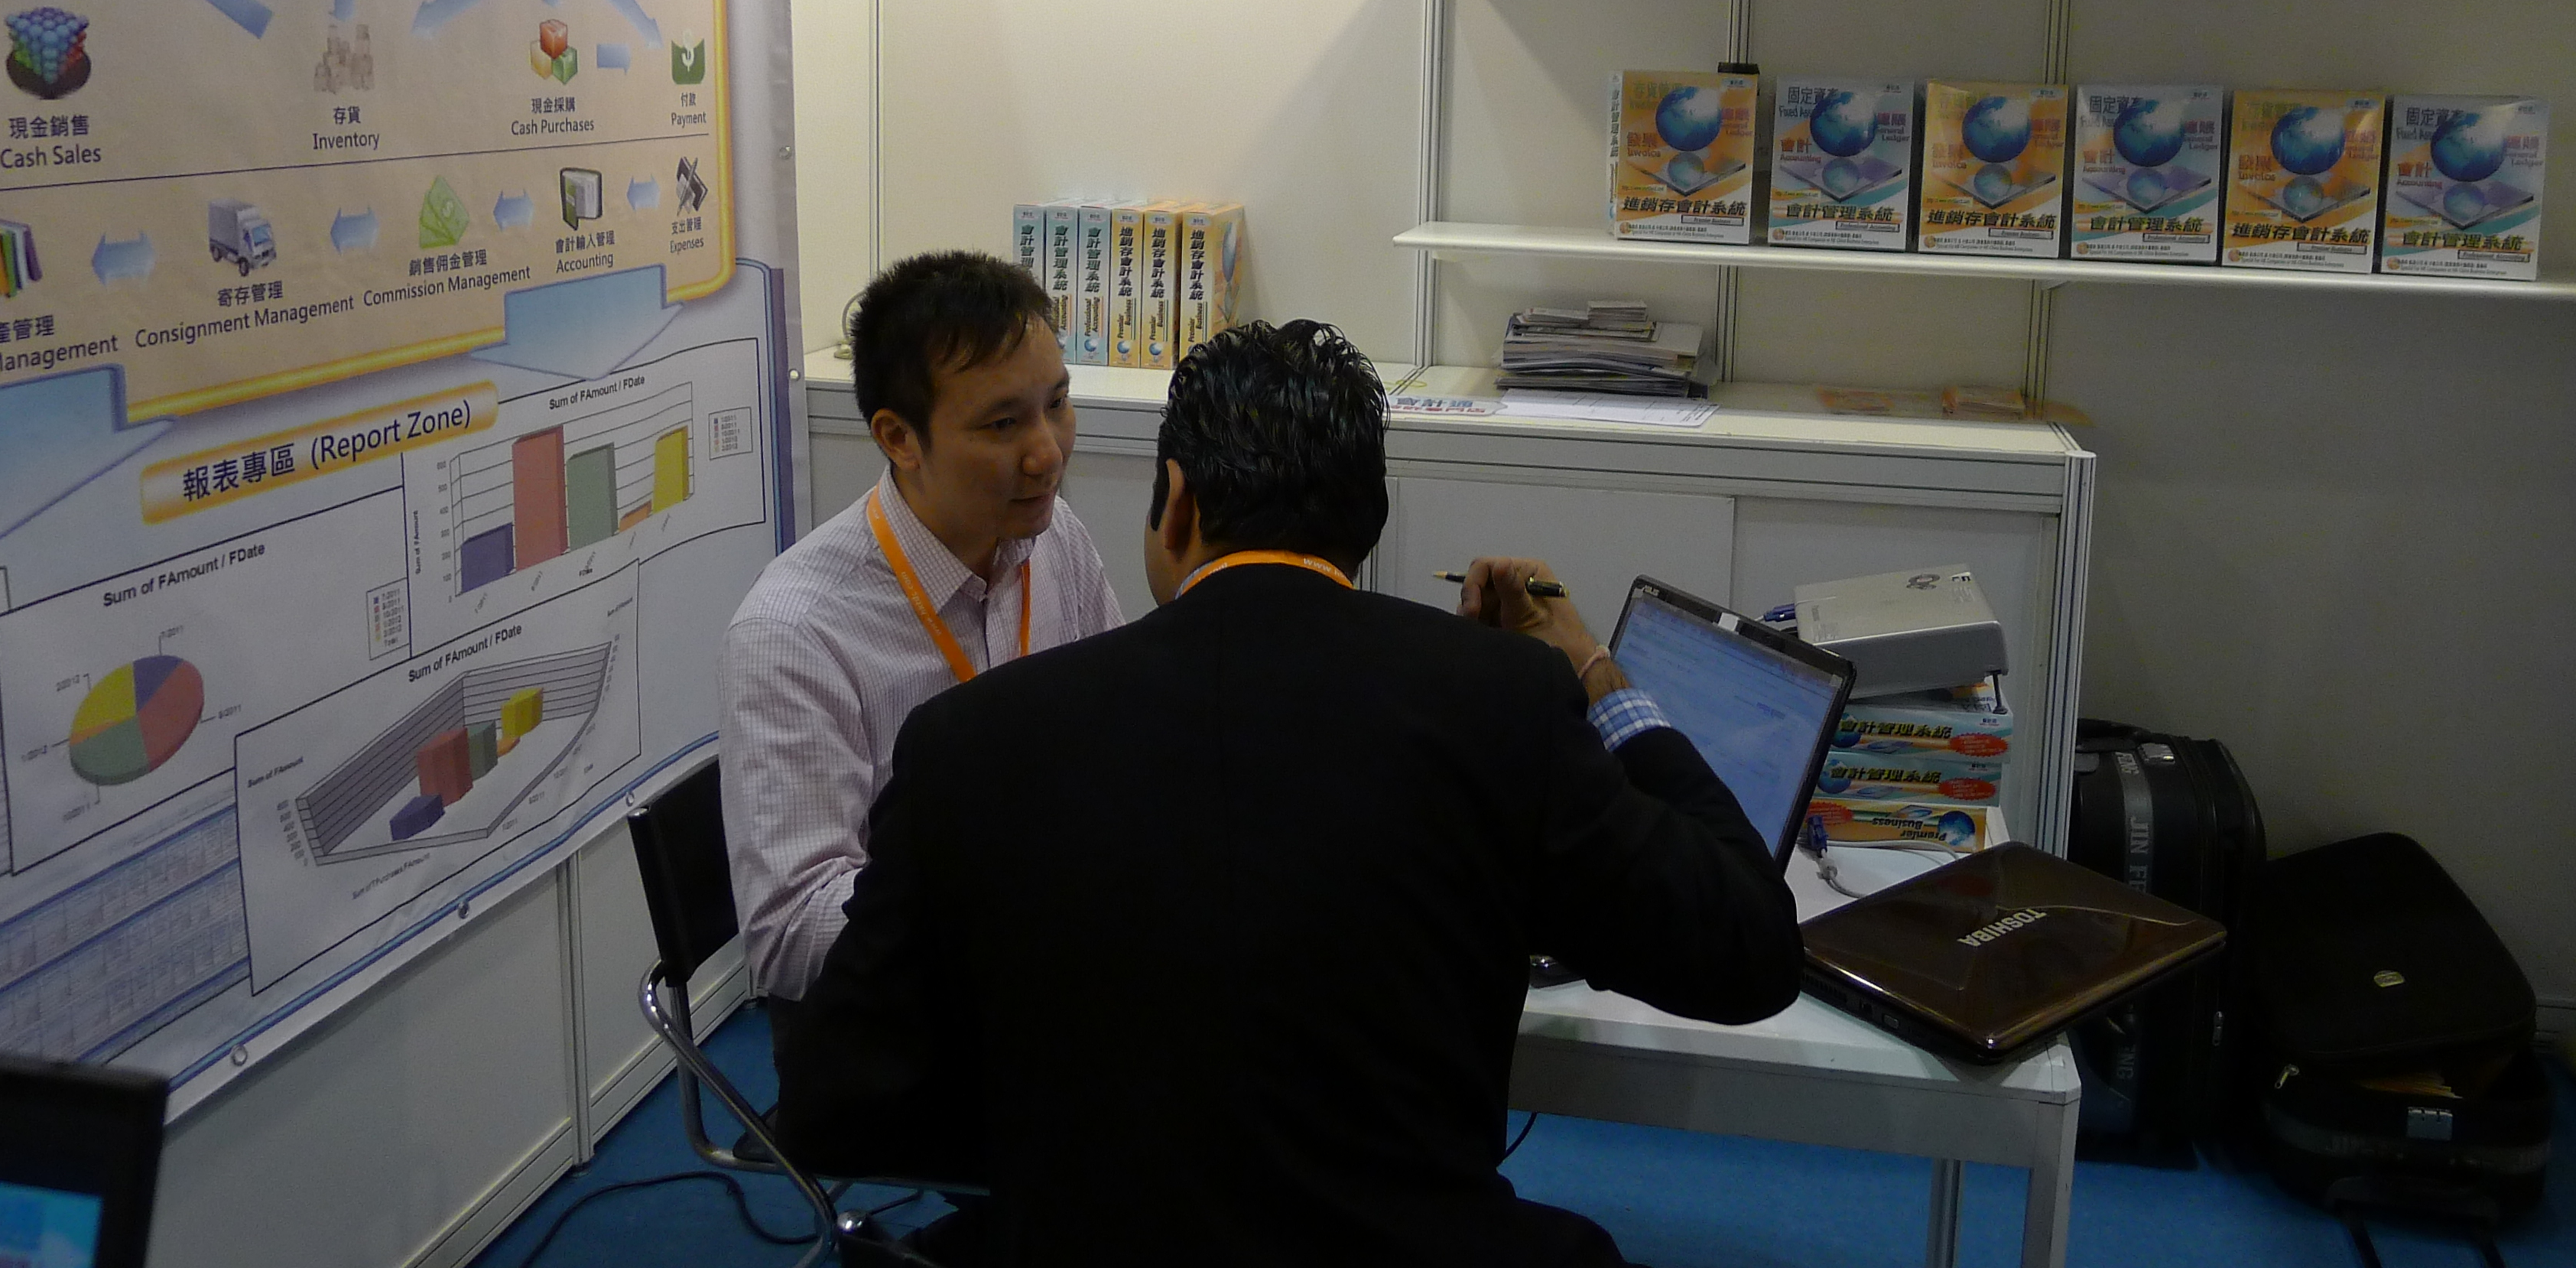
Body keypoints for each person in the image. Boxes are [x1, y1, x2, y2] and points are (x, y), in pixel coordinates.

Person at [775, 319, 1801, 1267]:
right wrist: (1597, 677)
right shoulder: (1503, 700)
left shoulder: (969, 741)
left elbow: (833, 1103)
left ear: (1176, 501)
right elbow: (1746, 951)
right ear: (1370, 520)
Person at [720, 251, 1123, 1018]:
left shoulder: (1053, 538)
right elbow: (790, 937)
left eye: (1057, 404)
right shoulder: (794, 635)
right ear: (899, 438)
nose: (1047, 452)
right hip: (906, 1023)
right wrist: (1012, 899)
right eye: (1003, 424)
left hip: (1049, 977)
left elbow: (1119, 733)